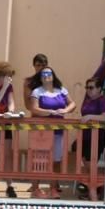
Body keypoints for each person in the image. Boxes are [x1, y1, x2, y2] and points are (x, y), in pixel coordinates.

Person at [28, 66, 76, 198]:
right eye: (43, 74)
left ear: (53, 76)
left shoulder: (61, 90)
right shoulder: (37, 91)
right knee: (39, 160)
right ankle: (36, 188)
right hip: (42, 132)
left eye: (49, 73)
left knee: (56, 161)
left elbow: (72, 104)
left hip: (58, 131)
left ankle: (53, 188)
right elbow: (34, 108)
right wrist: (49, 112)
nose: (46, 76)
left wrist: (65, 111)